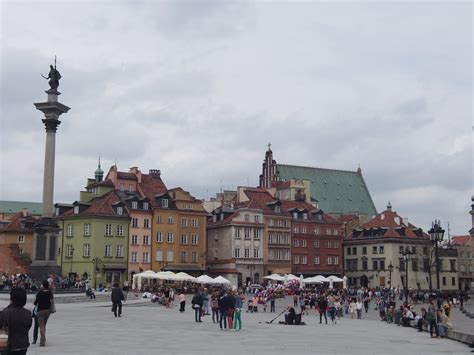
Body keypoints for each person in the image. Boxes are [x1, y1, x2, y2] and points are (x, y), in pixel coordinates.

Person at [0, 288, 32, 354]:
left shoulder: (5, 313)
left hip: (9, 346)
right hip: (23, 345)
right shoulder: (28, 313)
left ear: (12, 299)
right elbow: (28, 327)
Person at [34, 280, 54, 347]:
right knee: (44, 325)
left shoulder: (40, 292)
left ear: (43, 285)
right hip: (47, 311)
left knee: (41, 326)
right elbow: (52, 300)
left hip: (40, 311)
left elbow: (36, 302)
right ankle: (43, 338)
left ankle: (42, 341)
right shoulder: (50, 292)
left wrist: (35, 303)